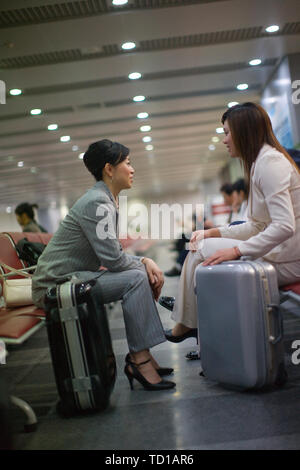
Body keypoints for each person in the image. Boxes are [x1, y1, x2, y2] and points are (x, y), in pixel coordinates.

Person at [32, 139, 175, 391]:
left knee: (138, 275)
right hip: (57, 286)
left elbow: (113, 255)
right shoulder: (97, 202)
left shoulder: (104, 199)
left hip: (74, 278)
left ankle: (142, 356)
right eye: (128, 163)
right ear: (109, 169)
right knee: (137, 277)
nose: (132, 169)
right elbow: (113, 259)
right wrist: (144, 260)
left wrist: (141, 263)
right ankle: (139, 359)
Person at [161, 102, 300, 344]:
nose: (224, 140)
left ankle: (190, 323)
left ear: (244, 131)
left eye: (227, 132)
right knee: (200, 247)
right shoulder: (259, 163)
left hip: (290, 260)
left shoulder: (270, 164)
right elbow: (257, 225)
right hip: (279, 254)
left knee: (202, 252)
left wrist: (236, 250)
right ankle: (193, 322)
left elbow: (285, 225)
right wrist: (213, 232)